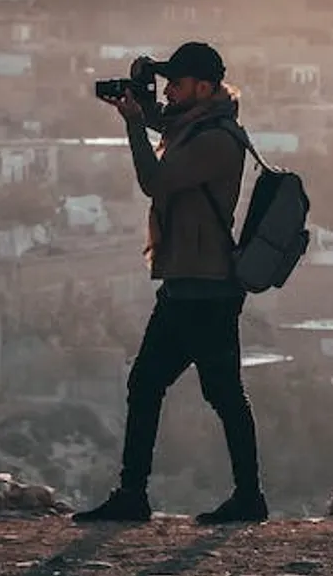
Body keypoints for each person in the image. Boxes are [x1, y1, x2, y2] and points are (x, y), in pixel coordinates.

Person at [72, 42, 268, 525]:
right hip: (188, 285)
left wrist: (135, 123)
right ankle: (135, 493)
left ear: (204, 87)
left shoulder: (218, 138)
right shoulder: (198, 125)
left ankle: (245, 497)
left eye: (177, 83)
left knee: (218, 393)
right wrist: (141, 97)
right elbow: (170, 123)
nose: (171, 91)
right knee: (152, 385)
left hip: (207, 291)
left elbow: (155, 180)